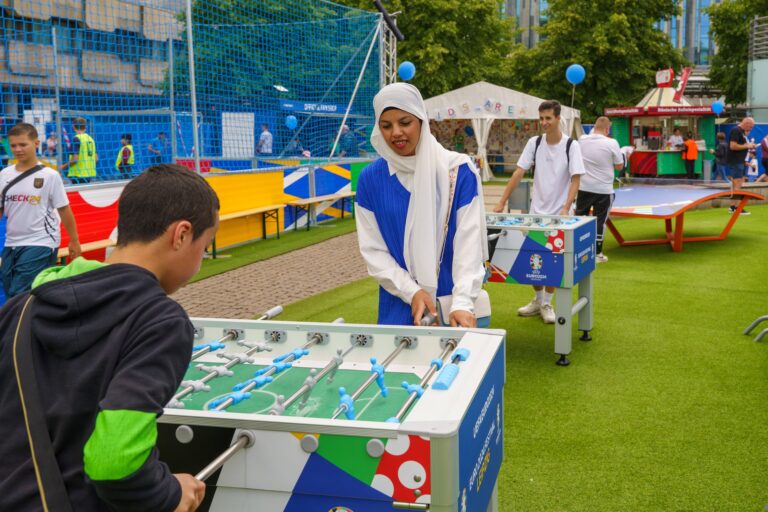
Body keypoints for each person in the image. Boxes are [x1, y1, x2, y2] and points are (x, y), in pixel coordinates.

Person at [0, 164, 218, 511]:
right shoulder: (160, 320)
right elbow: (114, 463)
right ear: (181, 234)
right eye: (204, 247)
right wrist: (171, 494)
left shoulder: (22, 306)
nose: (200, 261)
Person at [355, 83, 487, 328]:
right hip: (398, 308)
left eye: (405, 122)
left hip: (455, 311)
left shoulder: (457, 172)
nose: (396, 133)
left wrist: (462, 303)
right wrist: (412, 292)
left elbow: (469, 245)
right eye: (386, 125)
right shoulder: (370, 180)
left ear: (421, 121)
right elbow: (373, 250)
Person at [493, 100, 585, 324]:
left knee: (553, 262)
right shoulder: (534, 143)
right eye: (541, 118)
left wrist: (565, 207)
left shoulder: (571, 145)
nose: (544, 122)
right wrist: (501, 201)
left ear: (557, 119)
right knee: (532, 259)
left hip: (559, 215)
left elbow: (576, 178)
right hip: (536, 212)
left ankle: (547, 303)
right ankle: (537, 299)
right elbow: (518, 172)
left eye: (548, 118)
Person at [0, 123, 81, 299]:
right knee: (10, 290)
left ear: (36, 143)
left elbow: (64, 209)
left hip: (41, 242)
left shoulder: (50, 176)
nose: (17, 149)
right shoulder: (4, 175)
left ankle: (18, 327)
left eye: (23, 144)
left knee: (19, 294)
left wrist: (74, 240)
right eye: (13, 145)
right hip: (12, 244)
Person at [575, 116, 624, 264]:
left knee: (580, 218)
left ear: (593, 127)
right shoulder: (612, 142)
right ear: (607, 129)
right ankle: (597, 253)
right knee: (600, 221)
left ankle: (577, 249)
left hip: (584, 187)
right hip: (603, 189)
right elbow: (619, 166)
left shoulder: (582, 139)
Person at [725, 117, 757, 215]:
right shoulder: (736, 130)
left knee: (738, 184)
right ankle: (736, 207)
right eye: (750, 127)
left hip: (740, 161)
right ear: (746, 123)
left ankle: (733, 207)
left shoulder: (741, 131)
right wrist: (747, 146)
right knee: (737, 184)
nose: (750, 129)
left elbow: (740, 145)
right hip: (736, 161)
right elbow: (732, 146)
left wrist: (750, 145)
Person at [60, 117, 97, 184]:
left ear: (73, 127)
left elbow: (75, 159)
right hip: (89, 174)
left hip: (78, 175)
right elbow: (96, 158)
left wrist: (62, 167)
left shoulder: (76, 139)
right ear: (85, 127)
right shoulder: (91, 139)